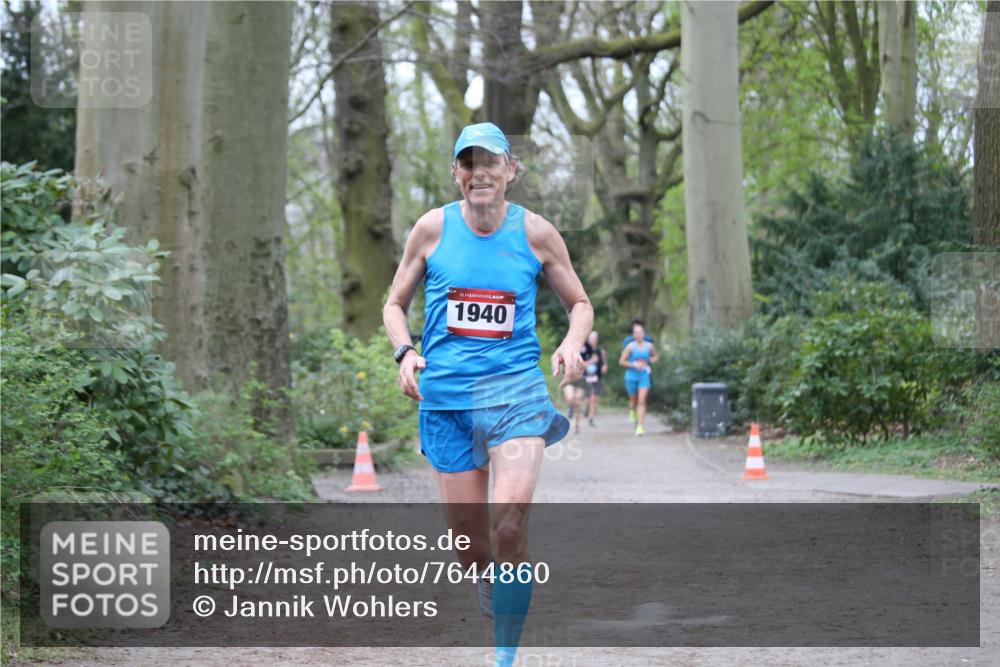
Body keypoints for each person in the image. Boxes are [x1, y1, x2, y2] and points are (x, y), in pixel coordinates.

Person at [383, 122, 593, 667]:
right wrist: (405, 353)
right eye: (468, 162)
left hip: (516, 394)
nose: (480, 172)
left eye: (491, 162)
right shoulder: (431, 230)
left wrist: (573, 344)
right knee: (472, 547)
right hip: (447, 401)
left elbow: (580, 303)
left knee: (510, 520)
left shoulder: (537, 233)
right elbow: (393, 304)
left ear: (510, 171)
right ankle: (487, 577)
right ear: (456, 173)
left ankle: (504, 655)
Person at [619, 320, 658, 436]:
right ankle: (632, 410)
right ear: (634, 335)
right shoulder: (630, 347)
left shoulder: (649, 345)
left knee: (642, 400)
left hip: (643, 376)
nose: (639, 334)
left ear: (644, 333)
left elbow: (655, 356)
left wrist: (651, 360)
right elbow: (621, 361)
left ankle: (640, 426)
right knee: (634, 401)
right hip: (631, 377)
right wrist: (633, 364)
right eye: (636, 332)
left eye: (641, 332)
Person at [581, 331, 607, 427]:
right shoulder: (584, 350)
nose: (593, 341)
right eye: (591, 339)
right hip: (586, 377)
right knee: (587, 399)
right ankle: (586, 408)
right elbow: (581, 362)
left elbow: (603, 362)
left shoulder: (600, 351)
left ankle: (591, 418)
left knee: (594, 398)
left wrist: (604, 366)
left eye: (594, 339)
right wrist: (588, 362)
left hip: (596, 378)